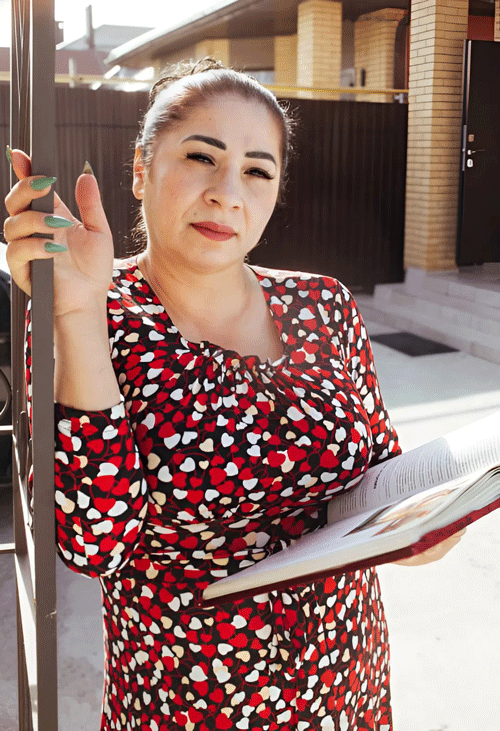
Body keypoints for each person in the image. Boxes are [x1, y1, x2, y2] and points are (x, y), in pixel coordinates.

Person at [4, 58, 464, 731]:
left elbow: (378, 473)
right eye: (202, 157)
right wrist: (76, 313)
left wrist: (418, 527)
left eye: (257, 170)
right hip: (191, 700)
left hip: (346, 680)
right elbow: (93, 543)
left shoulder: (325, 302)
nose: (227, 193)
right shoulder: (93, 307)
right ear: (141, 169)